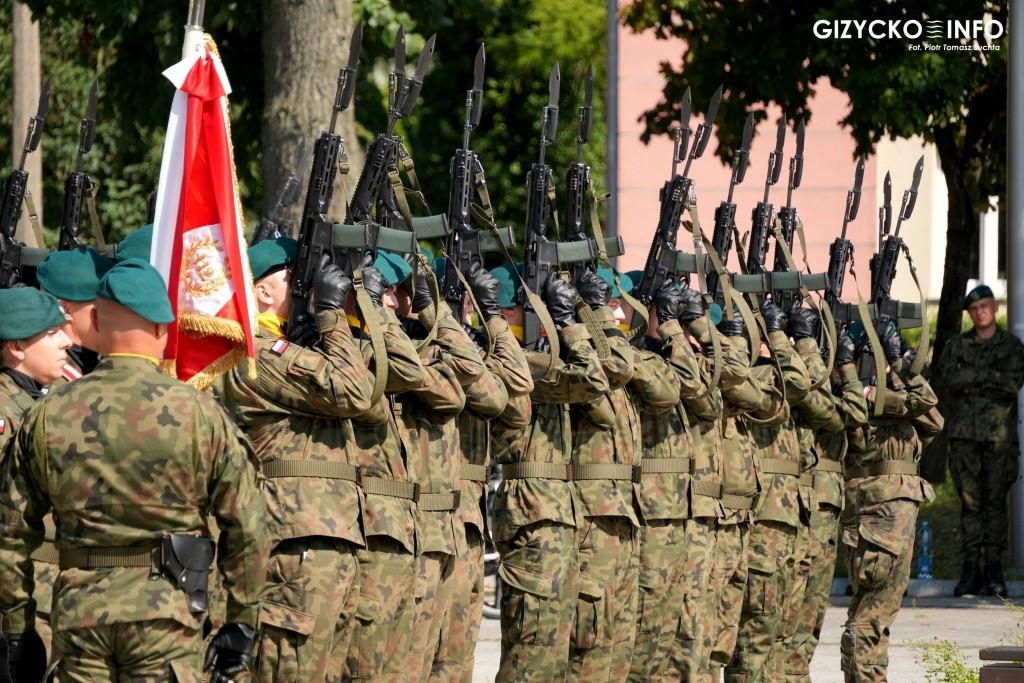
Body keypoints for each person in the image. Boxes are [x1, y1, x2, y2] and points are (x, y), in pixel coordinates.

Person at [0, 258, 270, 681]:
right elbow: (247, 525)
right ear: (164, 329)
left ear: (95, 324)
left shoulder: (49, 413)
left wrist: (17, 627)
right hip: (166, 617)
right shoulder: (199, 413)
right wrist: (241, 621)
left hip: (80, 616)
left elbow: (11, 531)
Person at [221, 237, 380, 680]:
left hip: (328, 534)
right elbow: (353, 392)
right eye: (296, 278)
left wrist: (332, 332)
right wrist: (330, 316)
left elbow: (374, 406)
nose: (308, 288)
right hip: (295, 540)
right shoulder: (252, 351)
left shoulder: (301, 348)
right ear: (261, 291)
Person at [489, 265, 610, 682]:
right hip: (533, 515)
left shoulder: (538, 359)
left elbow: (602, 398)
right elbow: (592, 377)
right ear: (507, 313)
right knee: (531, 659)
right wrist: (569, 326)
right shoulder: (514, 362)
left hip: (556, 515)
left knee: (554, 658)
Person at [435, 262, 534, 682]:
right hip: (432, 523)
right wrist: (445, 323)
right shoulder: (427, 348)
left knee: (457, 659)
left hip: (468, 523)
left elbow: (515, 404)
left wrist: (487, 326)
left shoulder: (477, 352)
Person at [841, 323, 942, 682]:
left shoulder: (899, 401)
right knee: (869, 617)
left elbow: (933, 418)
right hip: (877, 516)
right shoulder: (857, 395)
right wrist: (881, 377)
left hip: (899, 513)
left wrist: (900, 369)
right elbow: (912, 404)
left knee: (879, 616)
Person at [934, 284, 1024, 597]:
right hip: (964, 438)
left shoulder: (1012, 346)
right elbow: (948, 379)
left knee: (995, 503)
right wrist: (988, 379)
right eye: (973, 309)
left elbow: (1012, 384)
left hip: (999, 439)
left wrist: (971, 378)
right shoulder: (957, 345)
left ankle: (994, 570)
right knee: (970, 504)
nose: (979, 312)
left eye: (984, 306)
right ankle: (971, 569)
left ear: (994, 306)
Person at [0, 287, 73, 664]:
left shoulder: (60, 395)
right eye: (51, 333)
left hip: (62, 583)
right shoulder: (5, 408)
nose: (66, 341)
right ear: (16, 348)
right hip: (20, 589)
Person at [36, 246, 117, 378]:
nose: (115, 316)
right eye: (103, 307)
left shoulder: (91, 366)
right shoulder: (56, 379)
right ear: (65, 309)